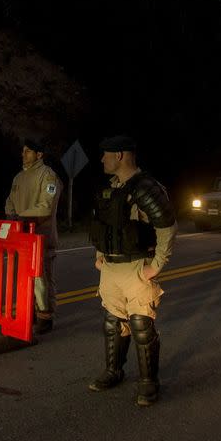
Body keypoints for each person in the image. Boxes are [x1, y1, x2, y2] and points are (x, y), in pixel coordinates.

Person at [87, 135, 178, 407]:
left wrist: (157, 264)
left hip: (137, 265)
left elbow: (167, 226)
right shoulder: (112, 188)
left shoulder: (146, 187)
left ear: (120, 156)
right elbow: (104, 226)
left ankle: (149, 383)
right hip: (112, 268)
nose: (102, 159)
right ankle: (114, 371)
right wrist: (100, 255)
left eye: (106, 154)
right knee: (113, 323)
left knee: (141, 325)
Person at [5, 138, 62, 334]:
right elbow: (10, 201)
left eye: (28, 151)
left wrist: (22, 218)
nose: (23, 154)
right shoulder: (18, 178)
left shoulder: (48, 176)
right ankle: (28, 311)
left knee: (42, 277)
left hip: (41, 236)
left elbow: (45, 206)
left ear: (39, 155)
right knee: (23, 277)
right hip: (21, 237)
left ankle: (45, 316)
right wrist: (12, 217)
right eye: (23, 151)